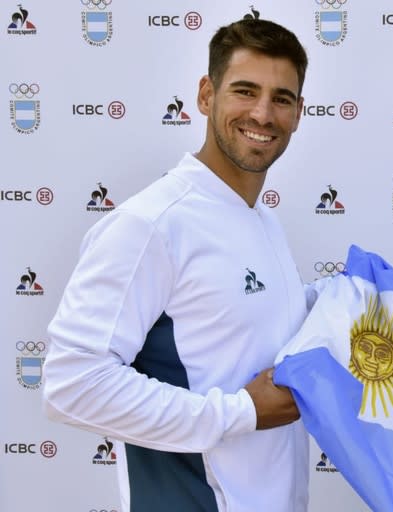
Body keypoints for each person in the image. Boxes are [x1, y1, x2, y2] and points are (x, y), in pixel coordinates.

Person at [42, 16, 311, 512]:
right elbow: (71, 384)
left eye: (282, 98)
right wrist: (239, 413)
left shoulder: (262, 218)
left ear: (299, 112)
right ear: (206, 95)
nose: (263, 113)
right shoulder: (151, 224)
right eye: (245, 91)